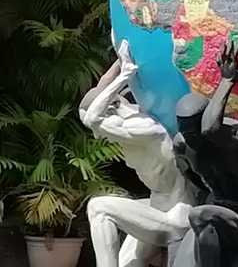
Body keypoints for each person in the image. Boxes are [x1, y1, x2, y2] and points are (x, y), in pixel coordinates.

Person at [79, 40, 196, 267]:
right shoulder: (125, 124)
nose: (97, 134)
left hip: (175, 217)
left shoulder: (143, 129)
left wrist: (125, 75)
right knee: (125, 263)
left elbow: (94, 117)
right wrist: (120, 62)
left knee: (98, 208)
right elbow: (97, 101)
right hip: (157, 207)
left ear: (113, 107)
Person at [170, 41, 238, 267]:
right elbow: (191, 176)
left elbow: (210, 129)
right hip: (218, 210)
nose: (190, 139)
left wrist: (227, 80)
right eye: (184, 132)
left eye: (193, 132)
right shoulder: (181, 145)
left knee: (199, 215)